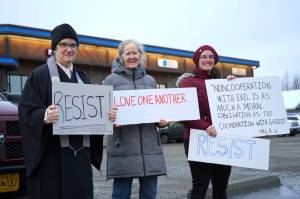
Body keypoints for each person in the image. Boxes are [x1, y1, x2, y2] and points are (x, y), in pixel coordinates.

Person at [18, 23, 117, 199]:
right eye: (63, 44)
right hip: (51, 159)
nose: (68, 49)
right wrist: (45, 115)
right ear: (54, 48)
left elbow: (92, 115)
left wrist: (106, 117)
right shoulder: (39, 76)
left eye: (73, 45)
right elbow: (26, 112)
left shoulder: (82, 78)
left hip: (80, 159)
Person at [104, 39, 167, 199]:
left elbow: (155, 111)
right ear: (121, 56)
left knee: (149, 194)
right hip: (122, 148)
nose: (132, 56)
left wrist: (160, 121)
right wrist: (108, 117)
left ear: (140, 55)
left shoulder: (151, 81)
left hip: (149, 149)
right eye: (128, 53)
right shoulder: (110, 81)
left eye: (135, 53)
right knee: (120, 195)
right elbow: (102, 114)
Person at [177, 45, 234, 199]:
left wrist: (234, 87)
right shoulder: (187, 82)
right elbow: (184, 113)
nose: (208, 60)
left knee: (221, 186)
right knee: (200, 186)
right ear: (197, 60)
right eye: (204, 56)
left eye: (211, 57)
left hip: (221, 139)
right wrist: (205, 126)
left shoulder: (220, 83)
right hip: (197, 139)